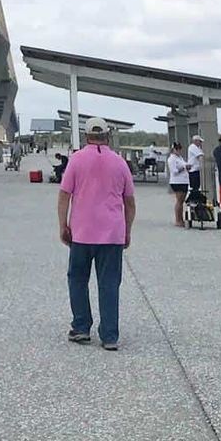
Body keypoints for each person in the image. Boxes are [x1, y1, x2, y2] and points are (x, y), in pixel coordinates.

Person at [58, 117, 136, 351]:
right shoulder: (120, 162)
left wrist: (63, 225)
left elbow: (64, 196)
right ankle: (109, 335)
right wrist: (127, 230)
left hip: (81, 233)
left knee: (78, 279)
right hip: (112, 233)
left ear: (86, 136)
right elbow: (129, 201)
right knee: (110, 283)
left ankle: (81, 327)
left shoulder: (76, 160)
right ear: (107, 135)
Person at [166, 142, 190, 227]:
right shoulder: (171, 159)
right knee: (179, 200)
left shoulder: (180, 158)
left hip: (184, 181)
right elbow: (174, 171)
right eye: (177, 149)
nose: (179, 150)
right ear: (173, 149)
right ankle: (177, 220)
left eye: (180, 148)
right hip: (177, 181)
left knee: (182, 201)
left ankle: (181, 219)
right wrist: (184, 168)